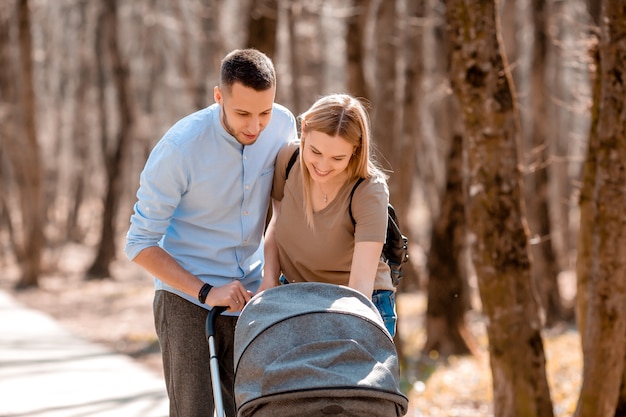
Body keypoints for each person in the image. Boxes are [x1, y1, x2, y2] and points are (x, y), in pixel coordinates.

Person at [125, 48, 297, 417]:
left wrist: (270, 277)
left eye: (264, 112)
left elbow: (283, 210)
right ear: (218, 97)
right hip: (186, 296)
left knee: (254, 408)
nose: (255, 126)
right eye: (242, 114)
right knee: (194, 412)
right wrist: (206, 291)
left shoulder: (283, 126)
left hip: (251, 293)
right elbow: (139, 244)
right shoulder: (179, 149)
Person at [259, 93, 397, 336]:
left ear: (356, 149)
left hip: (360, 303)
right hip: (295, 294)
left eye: (337, 158)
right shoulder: (288, 160)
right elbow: (276, 223)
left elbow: (360, 287)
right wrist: (269, 279)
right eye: (315, 151)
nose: (322, 166)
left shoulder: (368, 190)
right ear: (305, 130)